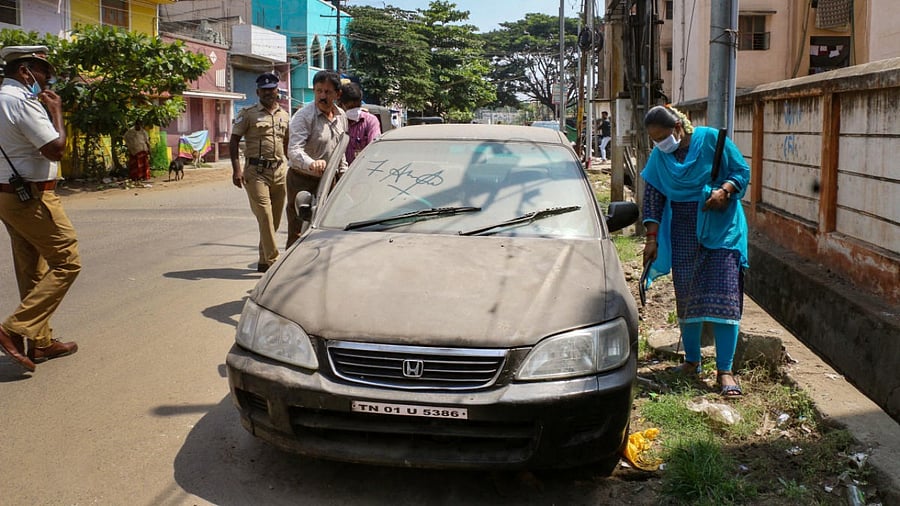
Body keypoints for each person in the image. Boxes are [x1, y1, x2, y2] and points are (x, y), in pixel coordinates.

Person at [640, 105, 750, 397]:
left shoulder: (712, 140)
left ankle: (725, 371)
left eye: (663, 136)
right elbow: (653, 197)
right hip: (684, 231)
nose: (661, 144)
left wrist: (724, 191)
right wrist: (652, 238)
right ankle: (692, 361)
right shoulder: (660, 158)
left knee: (725, 298)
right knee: (687, 295)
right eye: (655, 140)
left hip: (722, 229)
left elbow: (741, 171)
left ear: (678, 127)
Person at [0, 45, 80, 373]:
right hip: (32, 196)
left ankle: (42, 343)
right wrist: (57, 112)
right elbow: (56, 149)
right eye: (44, 73)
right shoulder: (21, 101)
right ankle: (13, 329)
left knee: (32, 269)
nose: (46, 82)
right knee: (67, 261)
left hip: (8, 195)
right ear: (25, 71)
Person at [229, 72, 290, 273]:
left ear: (277, 91)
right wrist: (237, 170)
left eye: (271, 90)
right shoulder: (248, 113)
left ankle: (263, 260)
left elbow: (288, 144)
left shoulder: (284, 115)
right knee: (264, 215)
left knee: (275, 220)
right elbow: (234, 140)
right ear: (257, 92)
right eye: (264, 90)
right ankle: (274, 263)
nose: (268, 93)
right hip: (256, 172)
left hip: (279, 171)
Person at [286, 70, 348, 248]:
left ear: (337, 94)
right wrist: (311, 164)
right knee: (298, 230)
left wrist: (344, 174)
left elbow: (340, 149)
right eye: (318, 91)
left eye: (327, 92)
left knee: (328, 228)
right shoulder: (303, 116)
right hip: (302, 180)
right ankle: (291, 271)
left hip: (330, 180)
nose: (322, 96)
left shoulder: (341, 116)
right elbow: (294, 150)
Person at [338, 81, 381, 164]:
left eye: (357, 106)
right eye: (350, 107)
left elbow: (374, 147)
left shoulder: (370, 121)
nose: (354, 110)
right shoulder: (336, 122)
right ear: (341, 105)